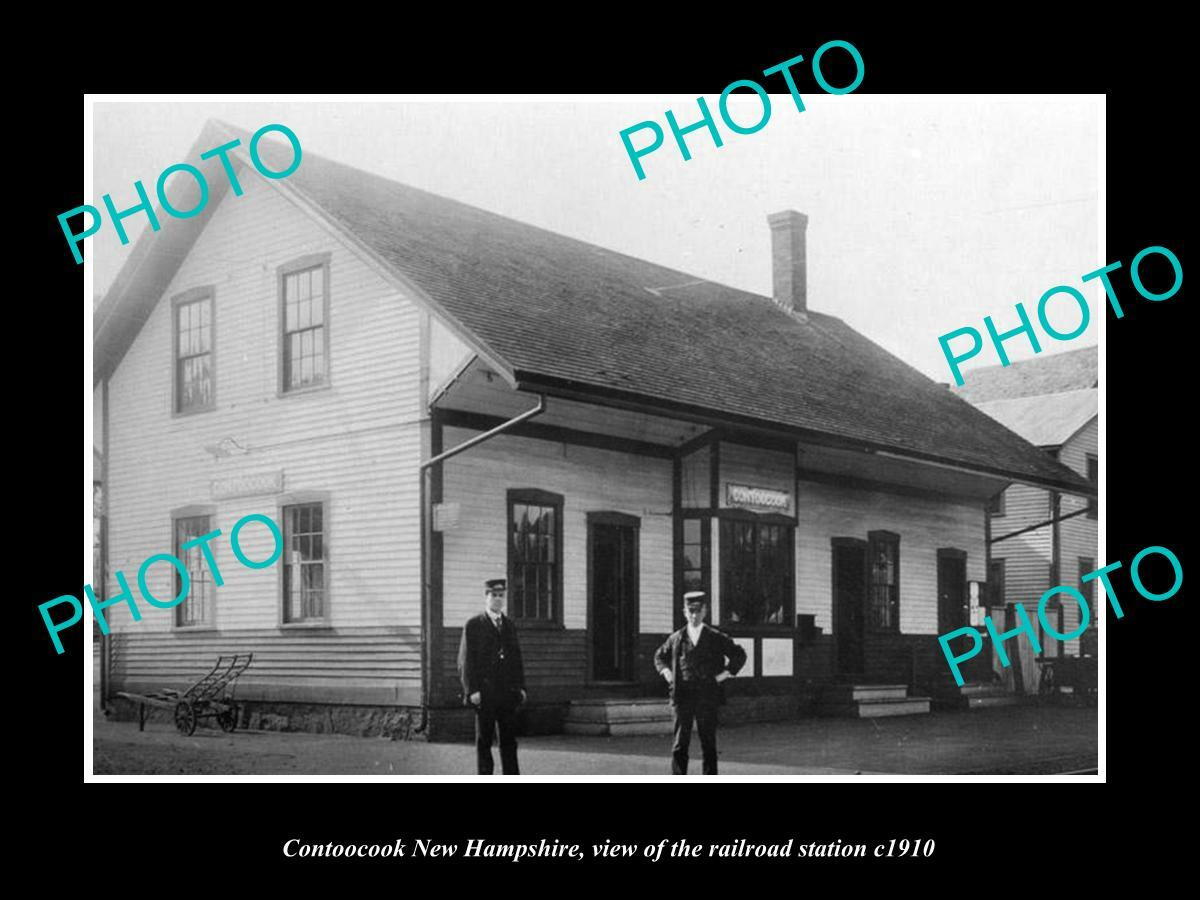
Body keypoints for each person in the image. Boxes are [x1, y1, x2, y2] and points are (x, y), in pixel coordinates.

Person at [654, 591, 747, 775]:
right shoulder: (676, 638)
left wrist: (725, 674)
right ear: (684, 612)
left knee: (708, 743)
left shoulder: (715, 637)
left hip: (707, 695)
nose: (694, 616)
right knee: (680, 743)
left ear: (705, 611)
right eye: (691, 611)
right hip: (683, 696)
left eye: (698, 611)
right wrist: (666, 672)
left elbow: (739, 654)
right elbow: (659, 656)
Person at [457, 578, 526, 775]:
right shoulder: (473, 625)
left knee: (509, 742)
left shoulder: (509, 625)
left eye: (500, 595)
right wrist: (471, 690)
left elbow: (516, 660)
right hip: (485, 694)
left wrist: (521, 687)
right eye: (493, 595)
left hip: (507, 694)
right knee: (484, 741)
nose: (497, 599)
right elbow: (465, 660)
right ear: (486, 597)